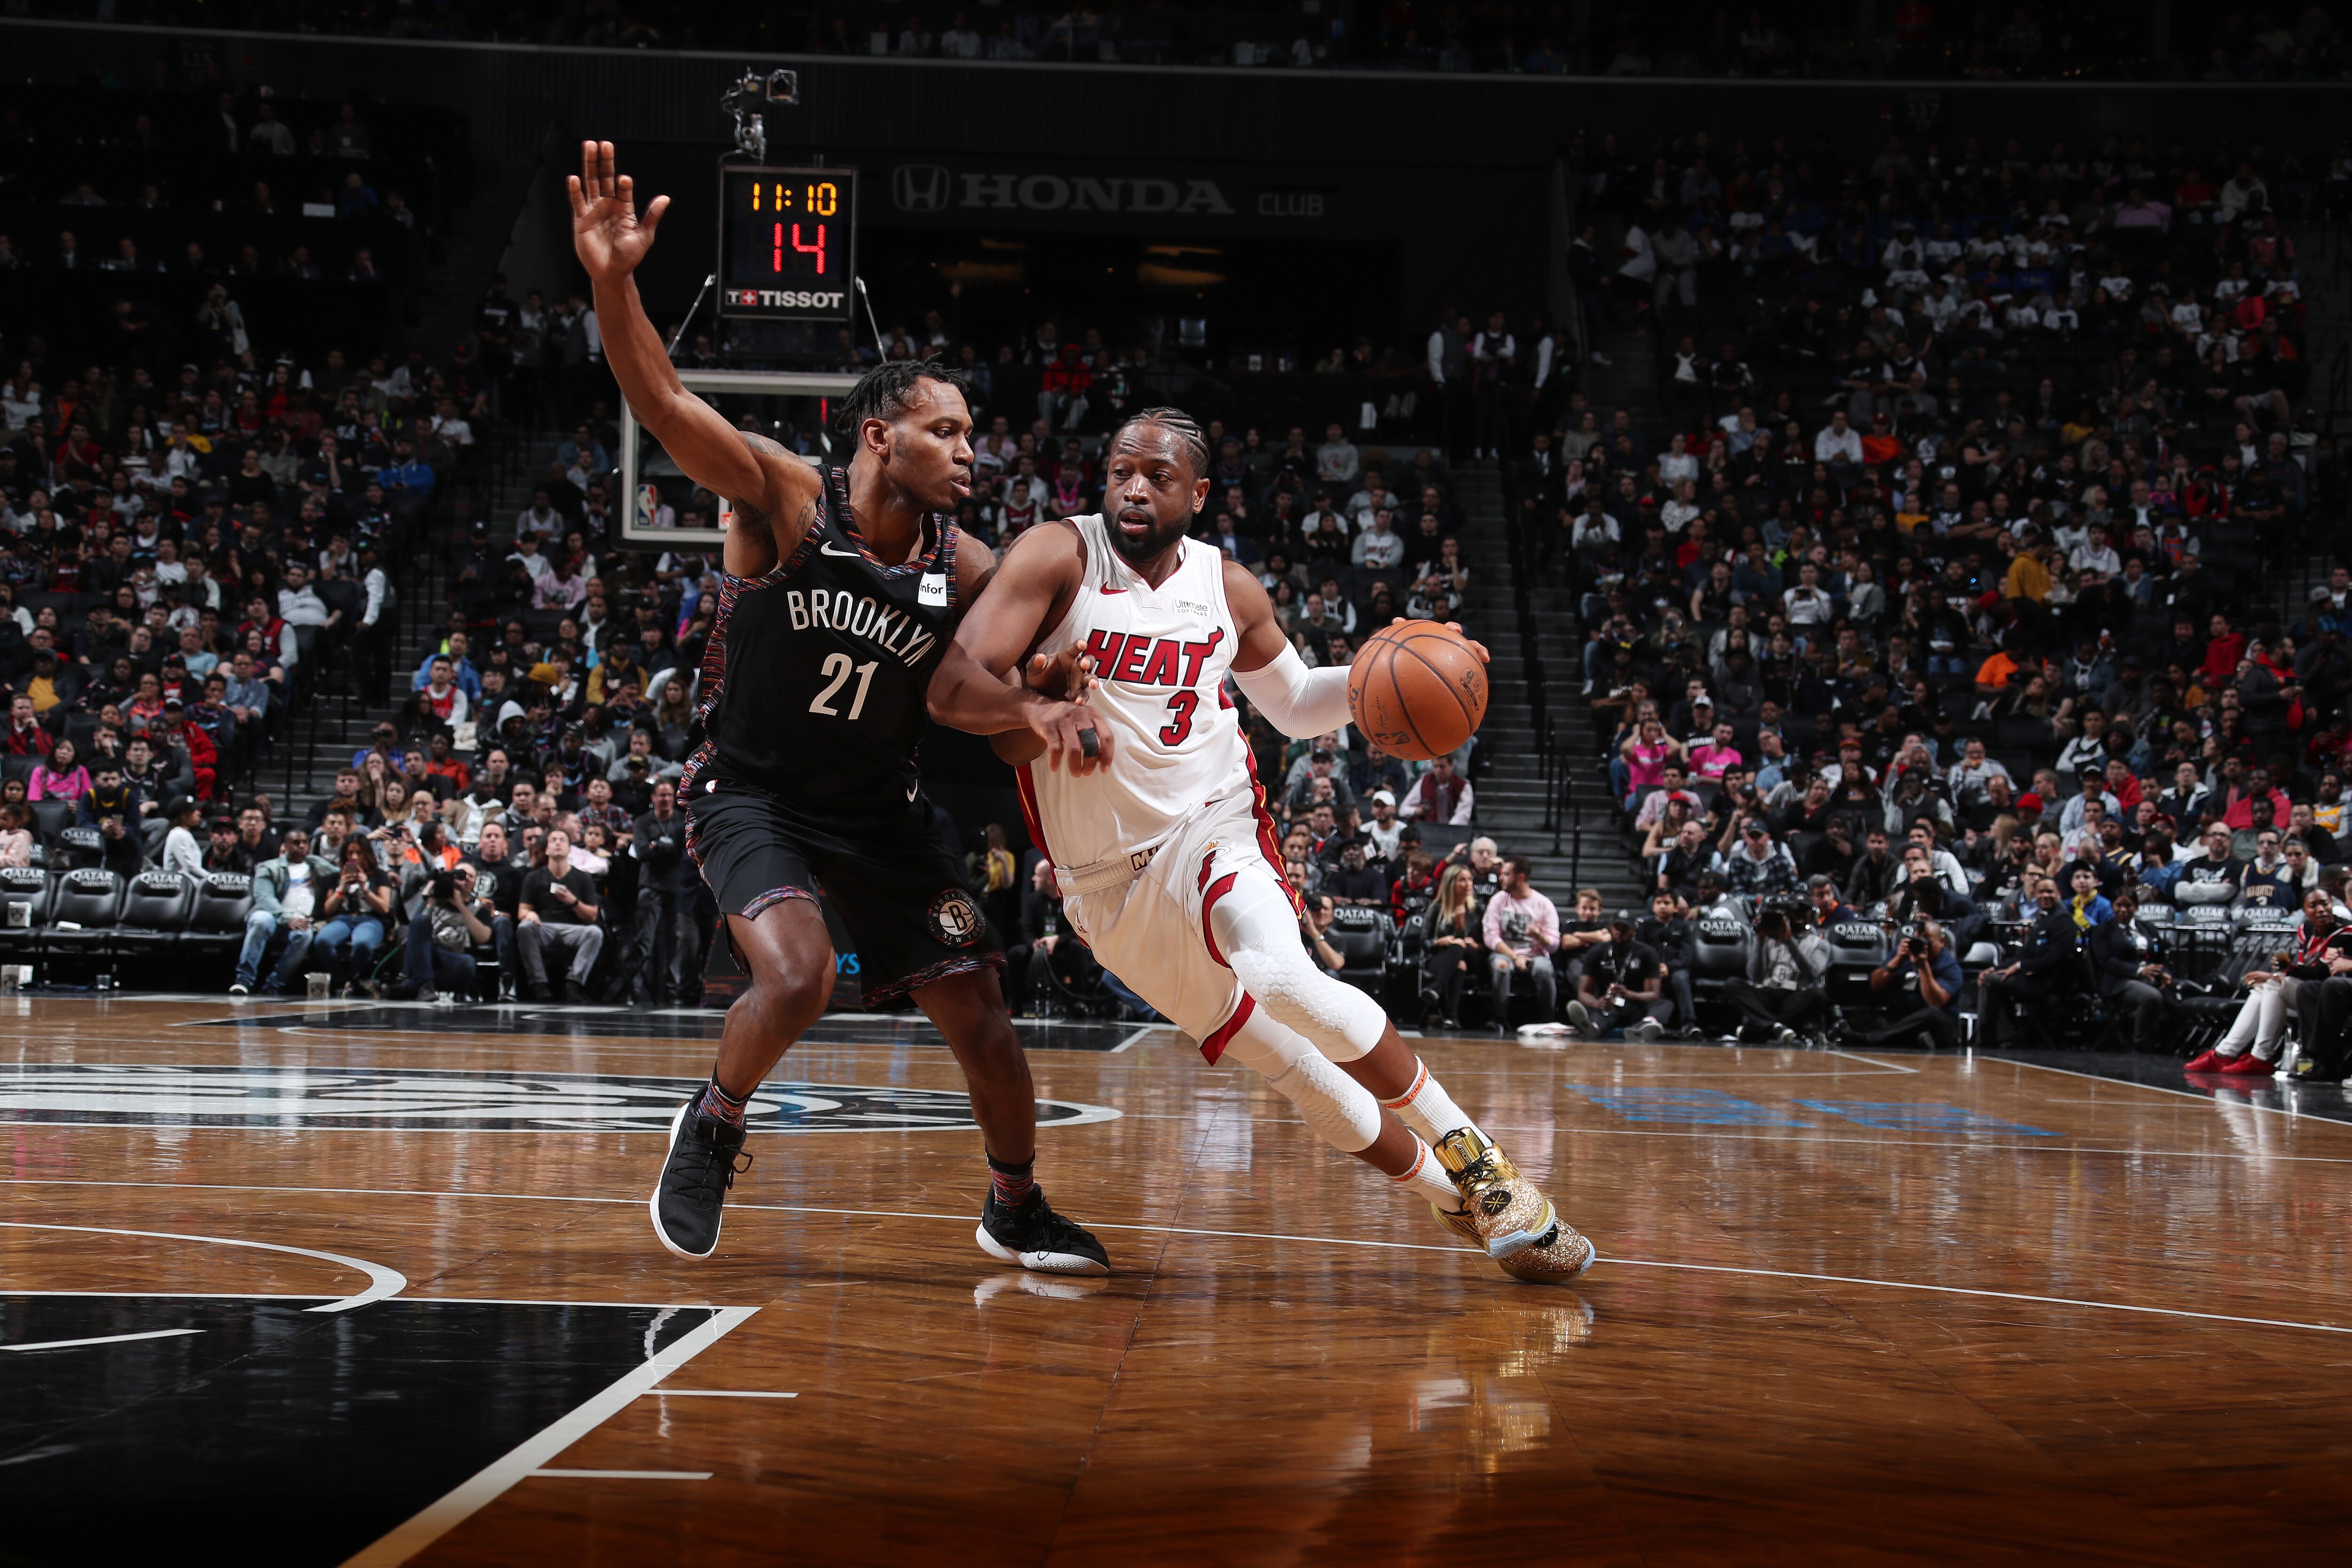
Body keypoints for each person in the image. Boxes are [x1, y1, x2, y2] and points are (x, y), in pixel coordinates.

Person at [572, 141, 1106, 1272]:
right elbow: (662, 400)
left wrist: (1047, 709)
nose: (971, 451)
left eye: (971, 434)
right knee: (801, 972)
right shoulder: (784, 499)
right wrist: (614, 279)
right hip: (753, 794)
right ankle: (713, 1124)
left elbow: (982, 708)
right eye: (945, 432)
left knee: (981, 1009)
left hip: (879, 811)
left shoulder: (969, 568)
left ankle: (1013, 1204)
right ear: (879, 436)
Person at [926, 405, 1592, 1283]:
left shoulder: (1227, 587)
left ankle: (1483, 1160)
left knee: (1284, 978)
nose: (1133, 487)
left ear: (1197, 494)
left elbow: (1294, 704)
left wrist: (1379, 673)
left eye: (1157, 476)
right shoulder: (1059, 554)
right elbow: (952, 686)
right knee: (1287, 1062)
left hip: (1214, 825)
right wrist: (1036, 699)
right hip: (1105, 889)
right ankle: (1456, 1201)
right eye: (1121, 469)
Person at [2183, 887, 2350, 1077]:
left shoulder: (2345, 932)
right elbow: (2305, 968)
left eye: (2325, 904)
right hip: (2307, 991)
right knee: (2263, 988)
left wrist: (2280, 975)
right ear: (2303, 910)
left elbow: (2321, 973)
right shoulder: (2307, 929)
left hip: (2325, 997)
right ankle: (2226, 1054)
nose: (2321, 910)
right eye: (2313, 906)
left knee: (2271, 985)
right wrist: (2285, 969)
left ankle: (2257, 1057)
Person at [1978, 874, 2080, 1048]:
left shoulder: (2063, 920)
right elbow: (2026, 953)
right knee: (1990, 978)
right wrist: (1995, 968)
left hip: (2049, 981)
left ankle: (1993, 1037)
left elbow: (2052, 959)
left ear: (2059, 895)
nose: (2045, 896)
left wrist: (2018, 967)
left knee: (1991, 982)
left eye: (2050, 892)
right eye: (2041, 892)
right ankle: (2001, 1035)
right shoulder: (2044, 919)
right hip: (2034, 977)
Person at [1840, 917, 1965, 1050]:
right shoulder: (1904, 952)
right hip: (1900, 1018)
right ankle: (1910, 1039)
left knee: (1933, 1014)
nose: (1923, 947)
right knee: (1860, 1013)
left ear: (1942, 942)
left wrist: (1923, 967)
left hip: (1934, 1024)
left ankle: (1869, 1039)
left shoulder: (1950, 967)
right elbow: (1875, 985)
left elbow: (1935, 1002)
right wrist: (1897, 960)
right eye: (1918, 941)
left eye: (1928, 942)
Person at [235, 827, 333, 996]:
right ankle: (244, 981)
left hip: (301, 919)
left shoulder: (317, 865)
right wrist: (287, 918)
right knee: (260, 921)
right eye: (296, 843)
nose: (302, 846)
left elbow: (343, 873)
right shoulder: (269, 867)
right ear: (285, 846)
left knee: (305, 935)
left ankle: (273, 985)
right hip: (272, 916)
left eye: (305, 843)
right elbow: (265, 898)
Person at [517, 826, 604, 1000]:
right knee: (525, 927)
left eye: (562, 840)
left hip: (573, 929)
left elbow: (592, 916)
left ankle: (574, 984)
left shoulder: (582, 878)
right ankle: (539, 985)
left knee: (595, 933)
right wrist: (529, 915)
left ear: (570, 849)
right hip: (545, 927)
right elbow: (523, 910)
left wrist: (573, 902)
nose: (558, 843)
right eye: (553, 840)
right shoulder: (534, 877)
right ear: (547, 849)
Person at [1723, 907, 1830, 1044]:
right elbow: (1755, 977)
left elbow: (1812, 973)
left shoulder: (1820, 944)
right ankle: (1775, 1028)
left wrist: (1789, 941)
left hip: (1794, 996)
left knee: (1818, 995)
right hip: (1767, 993)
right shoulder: (1768, 939)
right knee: (1732, 984)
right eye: (1794, 913)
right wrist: (1760, 940)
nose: (1799, 917)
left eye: (1803, 912)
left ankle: (1763, 1027)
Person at [394, 864, 494, 1002]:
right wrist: (430, 900)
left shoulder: (479, 909)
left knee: (468, 963)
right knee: (419, 921)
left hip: (452, 961)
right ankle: (423, 985)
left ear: (475, 883)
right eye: (461, 875)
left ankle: (413, 987)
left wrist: (460, 905)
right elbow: (416, 929)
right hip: (427, 955)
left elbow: (483, 938)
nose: (465, 879)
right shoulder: (435, 903)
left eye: (471, 876)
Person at [2085, 888, 2170, 1051]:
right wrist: (2139, 971)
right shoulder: (2102, 931)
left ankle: (2168, 1044)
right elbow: (2107, 962)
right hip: (2118, 981)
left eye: (2128, 905)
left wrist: (2165, 973)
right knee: (2151, 997)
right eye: (2119, 905)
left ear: (2136, 907)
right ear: (2112, 906)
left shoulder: (2148, 929)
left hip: (2151, 978)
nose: (2123, 910)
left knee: (2179, 992)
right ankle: (2141, 1044)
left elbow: (2161, 958)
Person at [1565, 911, 1670, 1041]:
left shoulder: (1648, 953)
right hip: (1610, 1004)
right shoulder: (1597, 952)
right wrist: (1597, 1003)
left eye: (1625, 929)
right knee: (1600, 1009)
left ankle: (1645, 1025)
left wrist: (1629, 994)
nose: (1620, 932)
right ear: (1611, 928)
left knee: (1665, 1004)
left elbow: (1654, 994)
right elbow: (1583, 992)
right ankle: (1593, 1027)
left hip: (1637, 1006)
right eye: (1617, 928)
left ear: (1634, 930)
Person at [1416, 862, 1481, 1029]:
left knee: (1459, 946)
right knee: (1460, 964)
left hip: (1474, 955)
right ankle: (1452, 1018)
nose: (1468, 885)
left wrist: (1476, 944)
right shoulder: (1437, 909)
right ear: (1451, 884)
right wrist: (1439, 942)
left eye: (1470, 880)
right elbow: (1424, 942)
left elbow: (1488, 941)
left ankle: (1436, 988)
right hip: (1442, 956)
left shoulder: (1478, 909)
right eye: (1462, 880)